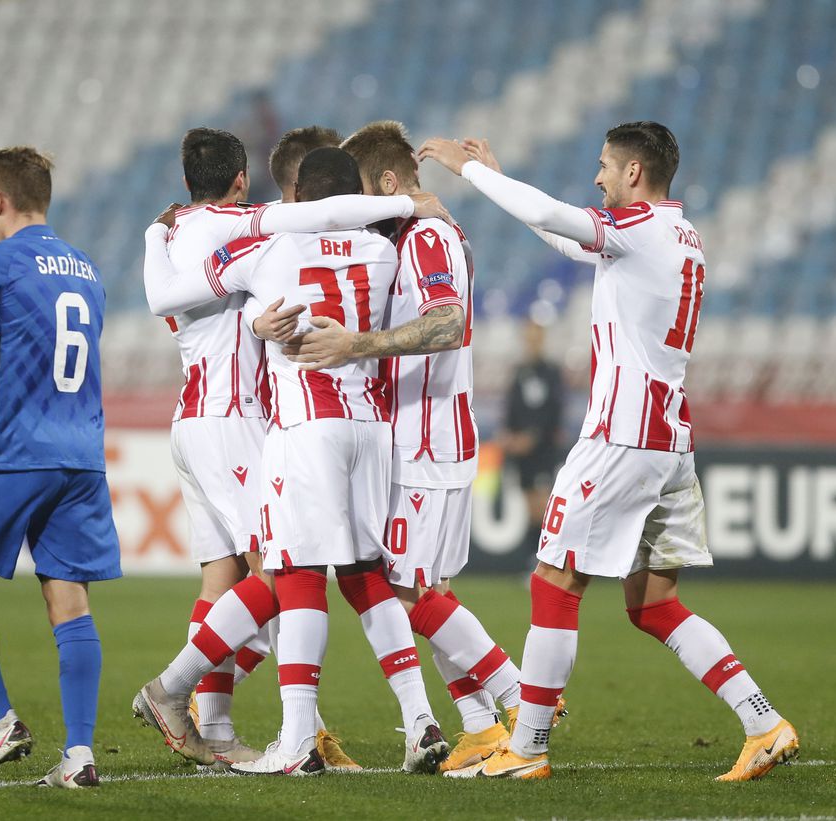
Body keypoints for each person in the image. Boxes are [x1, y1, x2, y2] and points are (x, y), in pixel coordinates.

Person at [418, 122, 798, 781]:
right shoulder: (680, 235)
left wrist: (470, 172)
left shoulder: (641, 229)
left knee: (553, 581)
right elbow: (565, 233)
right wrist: (502, 172)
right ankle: (764, 721)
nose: (597, 177)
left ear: (633, 173)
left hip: (622, 438)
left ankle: (527, 747)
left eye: (604, 166)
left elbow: (550, 213)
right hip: (669, 440)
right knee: (653, 604)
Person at [138, 127, 447, 768]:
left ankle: (282, 731)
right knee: (363, 576)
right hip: (370, 427)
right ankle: (420, 721)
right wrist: (407, 204)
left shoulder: (262, 246)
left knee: (289, 574)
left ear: (297, 194)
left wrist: (162, 242)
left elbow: (168, 296)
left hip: (299, 427)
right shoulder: (386, 251)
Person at [287, 121, 540, 773]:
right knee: (421, 590)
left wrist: (357, 345)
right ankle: (482, 725)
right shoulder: (418, 231)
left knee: (398, 593)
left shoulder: (428, 236)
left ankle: (522, 698)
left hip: (425, 444)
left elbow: (448, 321)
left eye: (364, 192)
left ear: (390, 185)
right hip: (422, 438)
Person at [0, 147, 121, 789]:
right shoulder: (87, 269)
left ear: (1, 200)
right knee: (68, 596)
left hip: (15, 453)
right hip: (82, 457)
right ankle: (80, 755)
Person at [499, 320, 565, 551]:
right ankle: (537, 560)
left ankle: (551, 559)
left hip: (543, 450)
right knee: (530, 506)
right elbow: (511, 407)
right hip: (521, 451)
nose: (532, 342)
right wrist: (508, 434)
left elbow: (554, 409)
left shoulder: (551, 371)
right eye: (528, 337)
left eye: (536, 337)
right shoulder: (520, 371)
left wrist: (532, 437)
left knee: (543, 506)